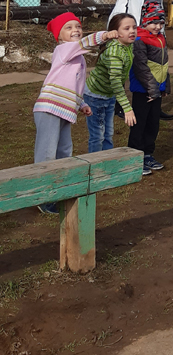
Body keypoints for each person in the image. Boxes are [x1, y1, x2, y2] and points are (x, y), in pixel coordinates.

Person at [32, 13, 118, 213]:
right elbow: (86, 43)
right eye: (69, 27)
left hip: (64, 110)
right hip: (49, 109)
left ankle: (58, 191)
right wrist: (104, 36)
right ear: (59, 36)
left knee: (64, 152)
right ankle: (41, 196)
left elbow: (74, 85)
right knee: (46, 154)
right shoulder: (64, 50)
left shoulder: (76, 57)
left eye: (78, 26)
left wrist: (81, 103)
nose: (76, 30)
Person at [84, 13, 137, 155]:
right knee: (98, 135)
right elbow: (115, 83)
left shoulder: (127, 46)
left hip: (109, 95)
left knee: (108, 133)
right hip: (95, 96)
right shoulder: (114, 52)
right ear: (116, 32)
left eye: (134, 27)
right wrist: (127, 108)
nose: (132, 31)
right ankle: (94, 168)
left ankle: (107, 164)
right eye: (126, 28)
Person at [128, 2, 170, 175]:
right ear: (145, 21)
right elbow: (141, 68)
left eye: (161, 23)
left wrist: (165, 85)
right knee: (140, 125)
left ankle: (148, 154)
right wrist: (152, 90)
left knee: (153, 124)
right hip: (142, 91)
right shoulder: (139, 39)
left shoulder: (160, 38)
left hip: (156, 91)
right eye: (154, 22)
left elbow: (164, 64)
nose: (158, 26)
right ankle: (134, 157)